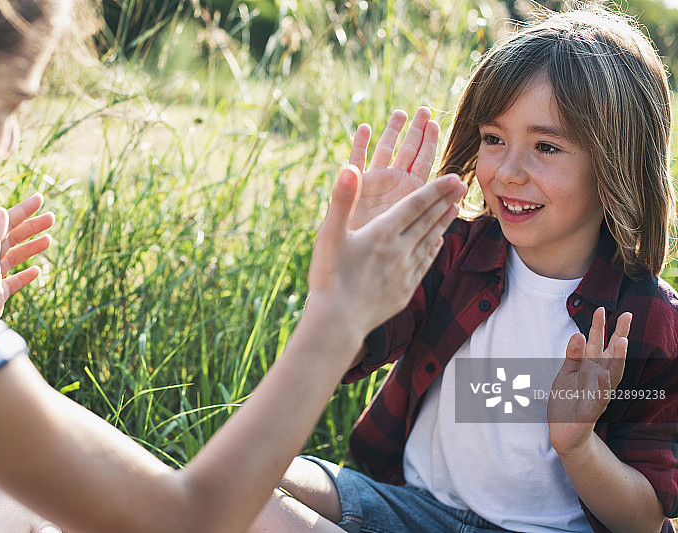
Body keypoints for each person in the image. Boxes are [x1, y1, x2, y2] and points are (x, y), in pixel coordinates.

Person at [0, 1, 468, 533]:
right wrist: (339, 314)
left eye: (548, 147)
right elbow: (190, 518)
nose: (8, 142)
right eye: (13, 104)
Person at [249, 6, 678, 533]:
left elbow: (644, 519)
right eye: (494, 139)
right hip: (417, 510)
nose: (507, 171)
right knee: (245, 486)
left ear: (617, 162)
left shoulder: (649, 320)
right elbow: (344, 356)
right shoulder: (455, 251)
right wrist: (356, 265)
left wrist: (577, 444)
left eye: (546, 146)